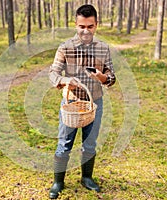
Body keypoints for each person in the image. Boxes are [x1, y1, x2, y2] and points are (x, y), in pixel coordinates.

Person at [48, 4, 116, 199]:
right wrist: (65, 80)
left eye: (90, 26)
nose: (85, 31)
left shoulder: (103, 49)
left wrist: (103, 78)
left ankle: (87, 178)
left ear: (96, 25)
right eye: (81, 26)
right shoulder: (65, 48)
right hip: (71, 104)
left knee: (90, 144)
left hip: (94, 104)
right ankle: (58, 182)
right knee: (64, 143)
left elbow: (112, 77)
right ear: (75, 25)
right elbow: (53, 73)